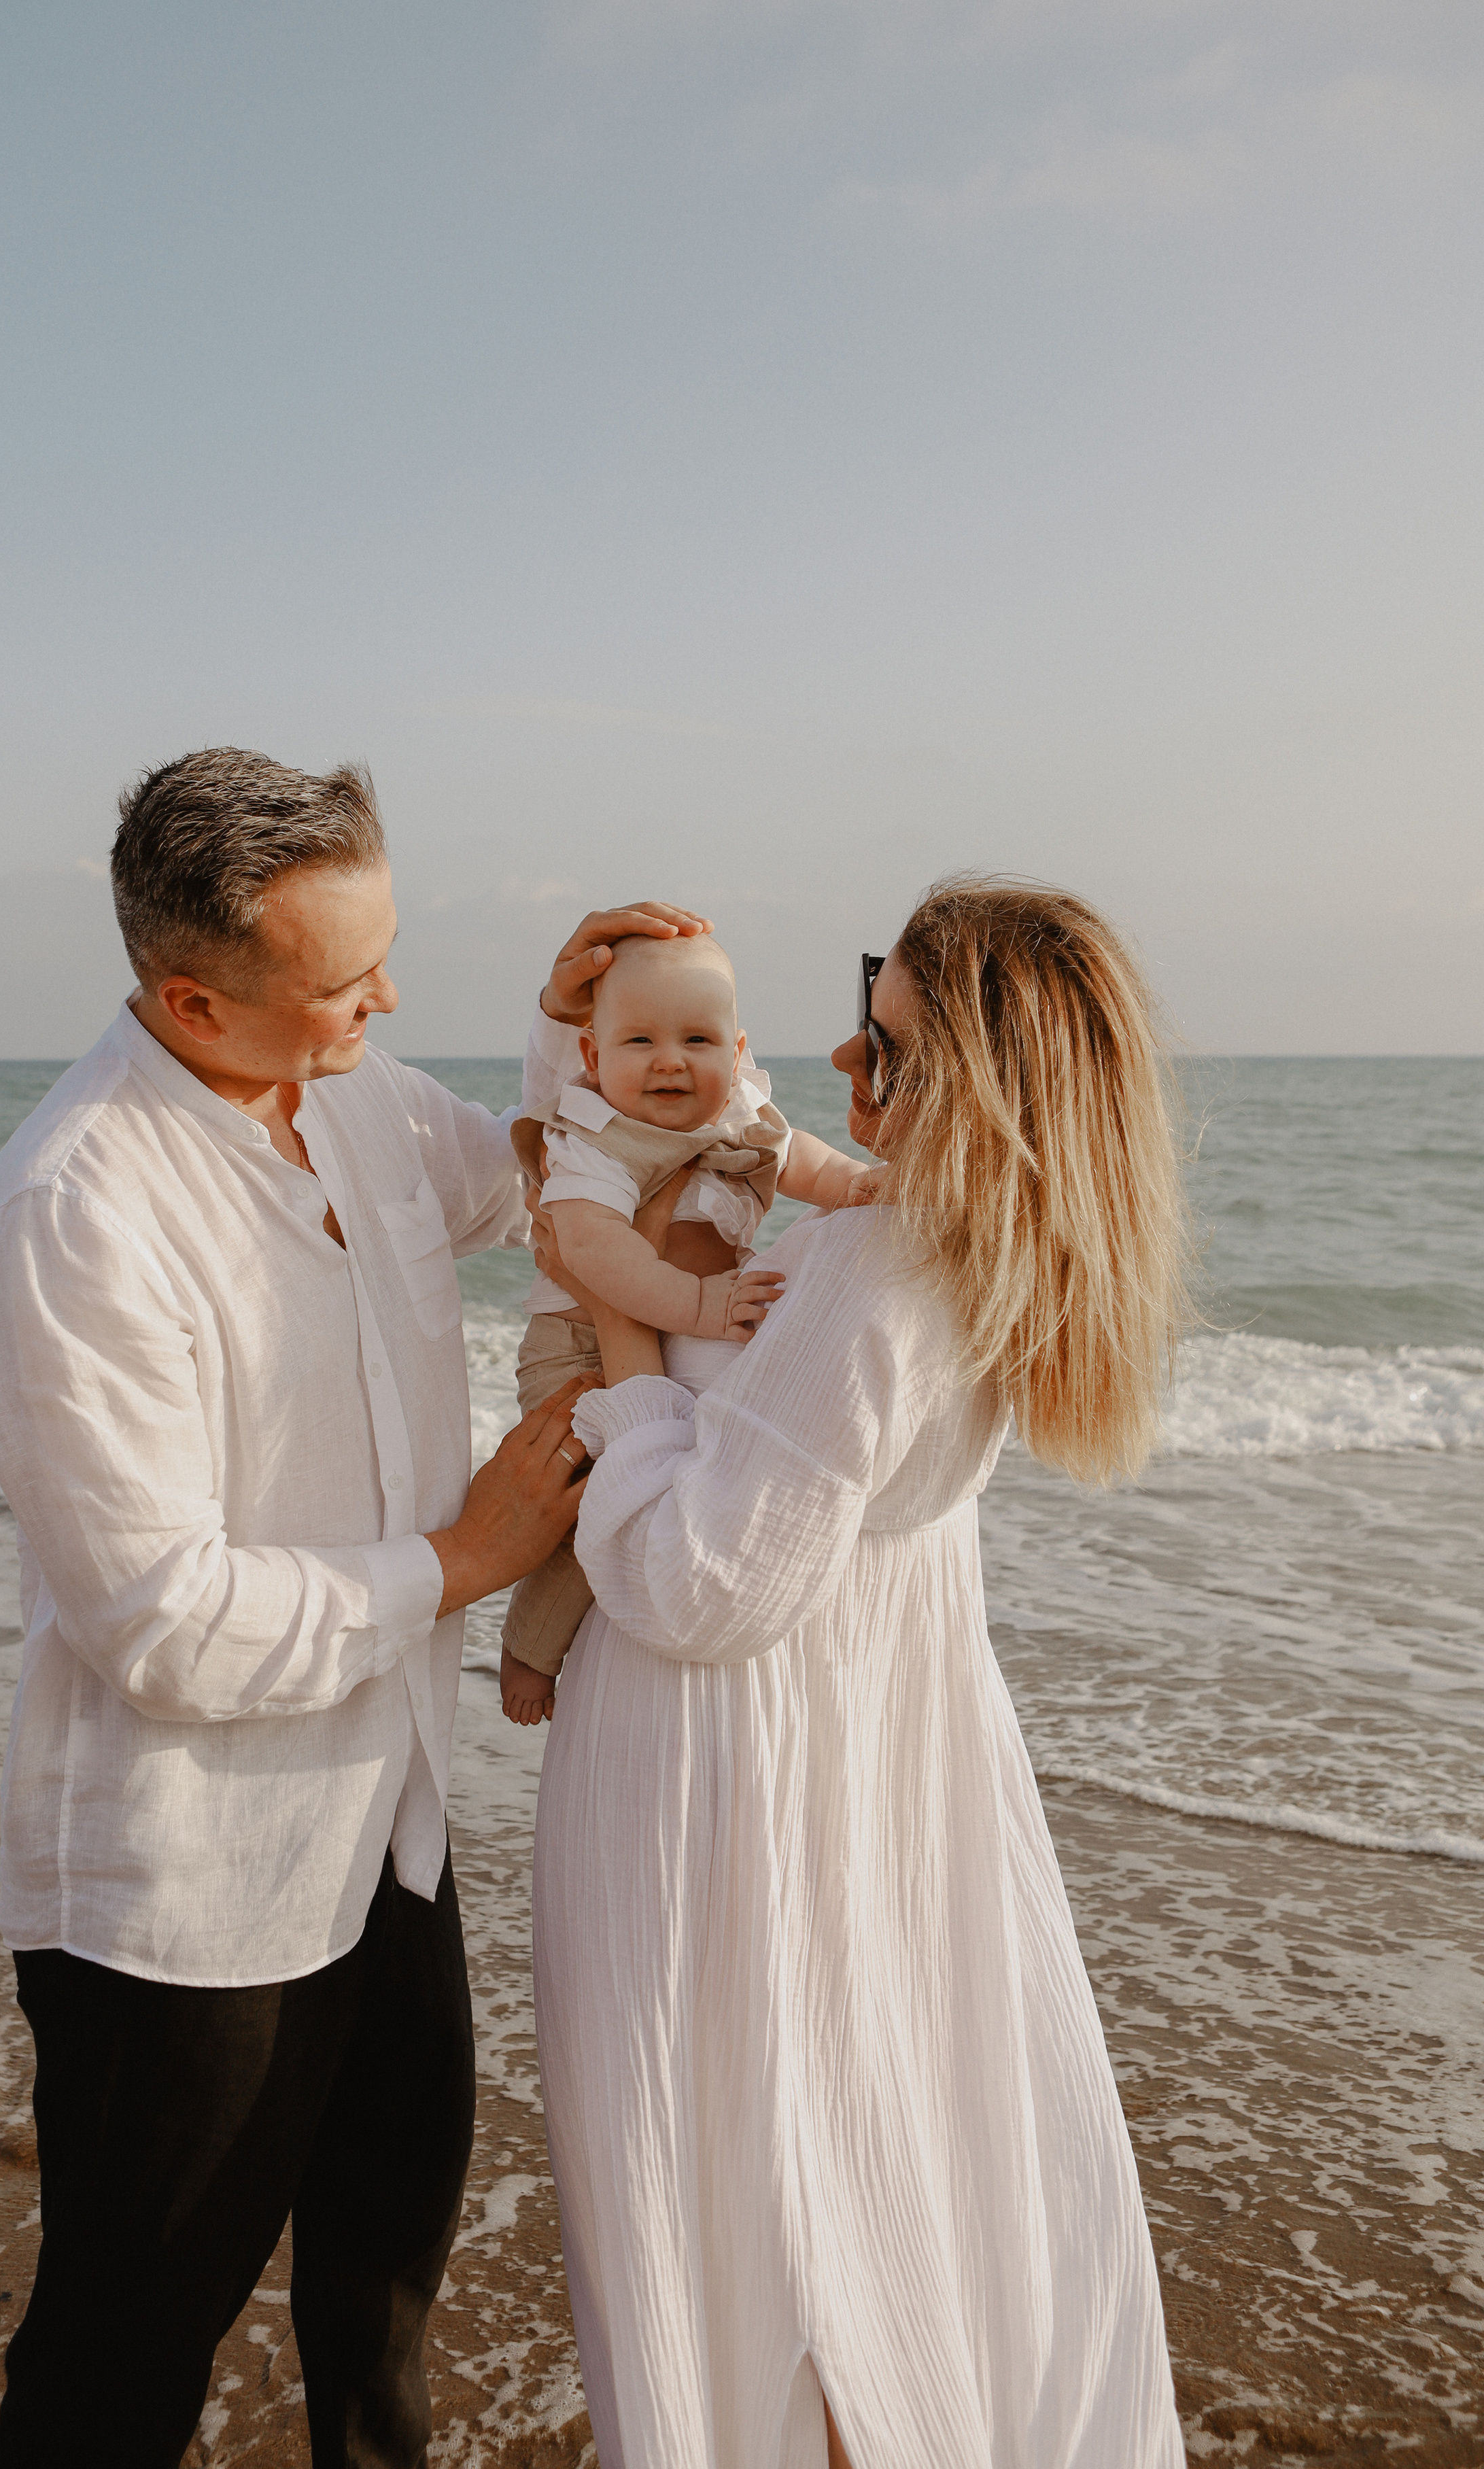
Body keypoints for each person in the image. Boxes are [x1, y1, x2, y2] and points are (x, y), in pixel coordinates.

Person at [0, 742, 704, 2469]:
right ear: (193, 999)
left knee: (381, 2309)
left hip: (387, 1837)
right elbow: (163, 1617)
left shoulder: (347, 1089)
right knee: (124, 2352)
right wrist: (467, 1558)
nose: (387, 1001)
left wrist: (584, 1027)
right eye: (346, 982)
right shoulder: (70, 1213)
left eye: (387, 956)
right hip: (182, 1898)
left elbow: (521, 1185)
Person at [530, 880, 1192, 2469]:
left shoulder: (872, 1265)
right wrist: (578, 1042)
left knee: (767, 2232)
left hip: (734, 1797)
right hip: (858, 1763)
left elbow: (702, 1584)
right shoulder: (974, 1243)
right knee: (873, 2176)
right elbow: (612, 1155)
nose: (836, 1052)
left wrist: (622, 1390)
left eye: (883, 1041)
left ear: (969, 1080)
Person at [499, 930, 868, 1725]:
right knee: (592, 1494)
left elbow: (797, 1159)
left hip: (674, 1335)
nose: (669, 1061)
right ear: (592, 1059)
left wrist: (859, 1186)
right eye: (641, 1041)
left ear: (735, 1053)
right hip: (580, 1344)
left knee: (680, 1481)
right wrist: (699, 1306)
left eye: (696, 1040)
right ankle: (530, 1646)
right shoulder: (595, 1137)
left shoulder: (737, 1116)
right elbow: (591, 1249)